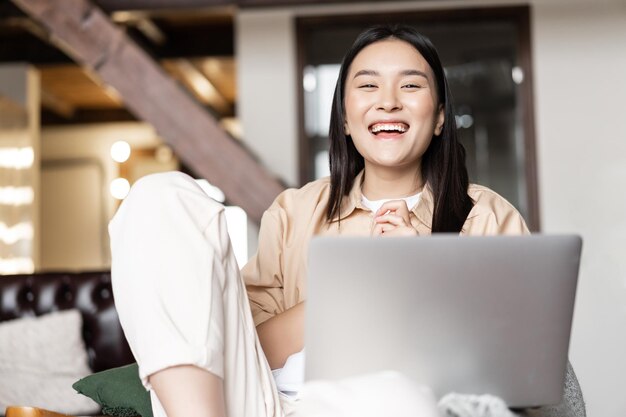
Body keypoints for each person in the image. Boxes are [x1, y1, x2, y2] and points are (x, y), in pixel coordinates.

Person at [109, 24, 530, 417]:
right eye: (367, 85)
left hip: (405, 401)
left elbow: (514, 367)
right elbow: (242, 350)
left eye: (410, 85)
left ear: (439, 117)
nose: (388, 100)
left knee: (394, 396)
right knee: (159, 194)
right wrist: (354, 290)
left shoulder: (487, 217)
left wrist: (417, 271)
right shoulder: (295, 211)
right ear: (346, 118)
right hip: (272, 402)